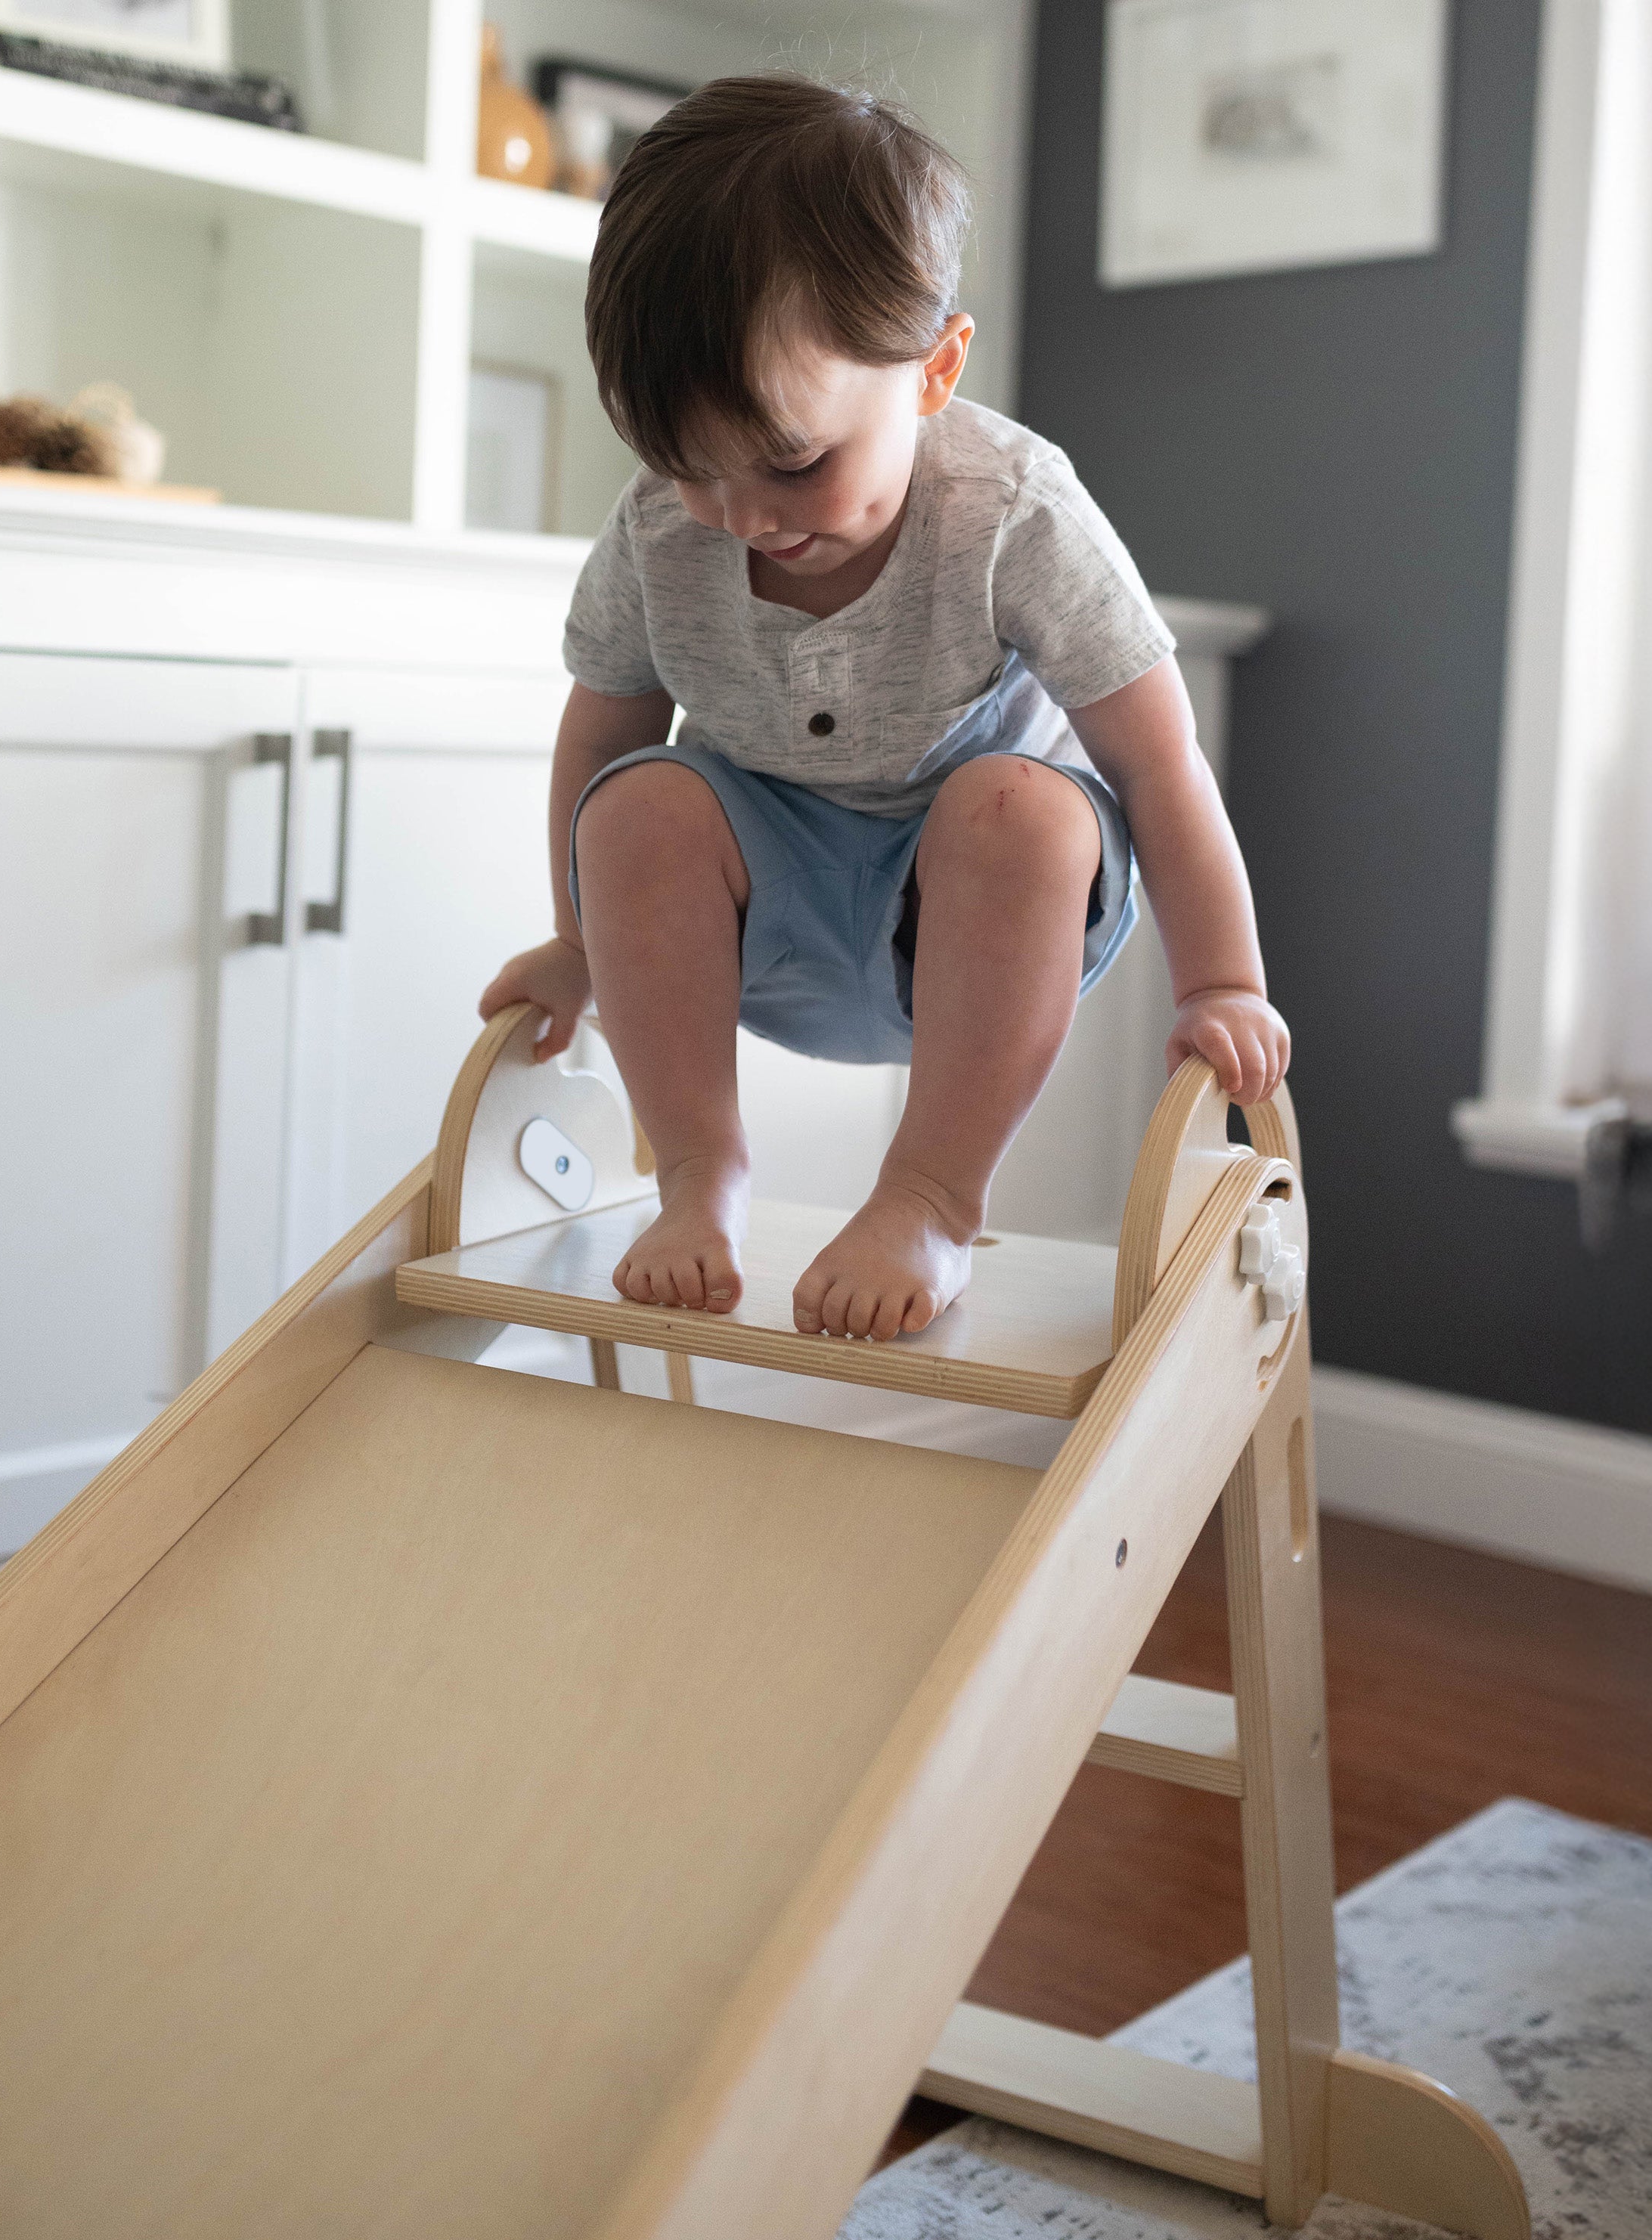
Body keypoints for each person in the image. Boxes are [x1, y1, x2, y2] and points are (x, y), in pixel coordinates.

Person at [480, 75, 1288, 1343]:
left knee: (1018, 806)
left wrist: (1223, 981)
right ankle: (698, 1173)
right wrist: (577, 943)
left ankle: (929, 1197)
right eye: (687, 465)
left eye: (794, 461)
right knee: (630, 805)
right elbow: (601, 736)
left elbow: (1161, 760)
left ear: (932, 371)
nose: (743, 514)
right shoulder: (656, 534)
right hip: (767, 913)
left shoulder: (1014, 511)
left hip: (972, 913)